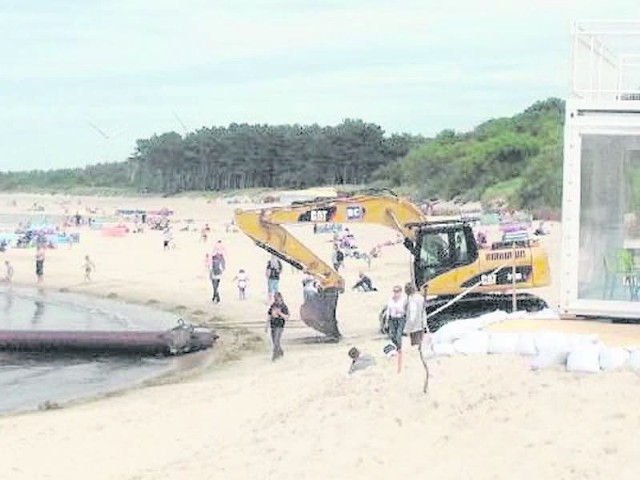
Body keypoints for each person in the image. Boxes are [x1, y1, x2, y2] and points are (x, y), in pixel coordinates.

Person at [383, 285, 407, 373]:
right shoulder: (390, 300)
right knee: (392, 335)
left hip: (400, 318)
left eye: (397, 291)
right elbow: (388, 311)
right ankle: (395, 347)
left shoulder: (403, 300)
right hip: (392, 319)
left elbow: (405, 310)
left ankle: (399, 349)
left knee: (398, 335)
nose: (396, 293)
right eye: (394, 291)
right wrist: (386, 322)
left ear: (400, 292)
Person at [266, 291, 289, 361]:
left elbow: (287, 316)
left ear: (280, 298)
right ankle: (280, 351)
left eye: (276, 298)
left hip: (279, 326)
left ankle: (275, 356)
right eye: (274, 298)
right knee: (274, 341)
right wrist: (266, 326)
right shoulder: (273, 305)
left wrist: (280, 313)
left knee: (276, 340)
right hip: (272, 326)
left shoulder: (284, 306)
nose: (275, 299)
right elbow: (269, 315)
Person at [404, 282, 428, 347]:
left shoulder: (411, 301)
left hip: (415, 328)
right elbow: (423, 312)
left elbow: (412, 316)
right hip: (422, 324)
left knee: (416, 346)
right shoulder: (420, 298)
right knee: (421, 344)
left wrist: (407, 329)